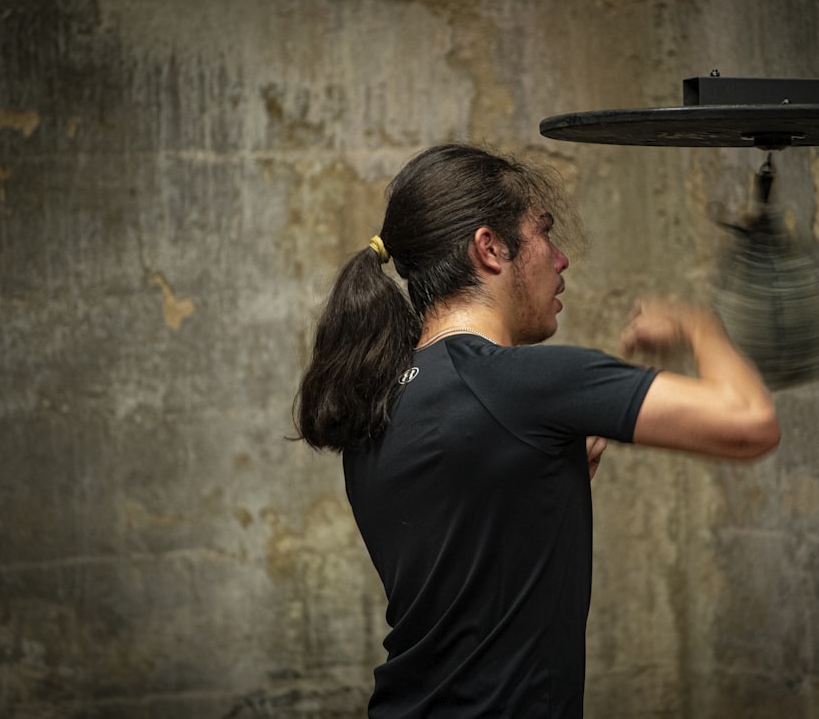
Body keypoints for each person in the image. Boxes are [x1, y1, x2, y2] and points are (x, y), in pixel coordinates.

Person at [294, 143, 779, 718]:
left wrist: (548, 476)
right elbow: (749, 424)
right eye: (544, 233)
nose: (561, 259)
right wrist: (701, 327)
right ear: (491, 248)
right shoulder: (524, 382)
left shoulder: (380, 399)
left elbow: (471, 562)